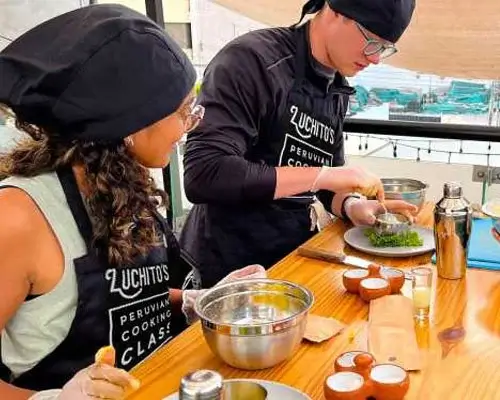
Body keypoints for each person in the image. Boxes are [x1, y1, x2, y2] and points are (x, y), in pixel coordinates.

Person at [0, 4, 266, 400]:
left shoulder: (122, 182)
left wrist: (197, 302)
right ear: (126, 124)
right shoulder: (19, 217)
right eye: (182, 112)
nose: (190, 125)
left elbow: (122, 299)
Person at [179, 0, 418, 287]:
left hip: (292, 258)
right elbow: (204, 174)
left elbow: (325, 183)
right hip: (228, 267)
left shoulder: (336, 87)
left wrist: (352, 205)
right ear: (336, 10)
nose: (376, 58)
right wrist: (324, 175)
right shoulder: (253, 62)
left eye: (384, 48)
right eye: (371, 41)